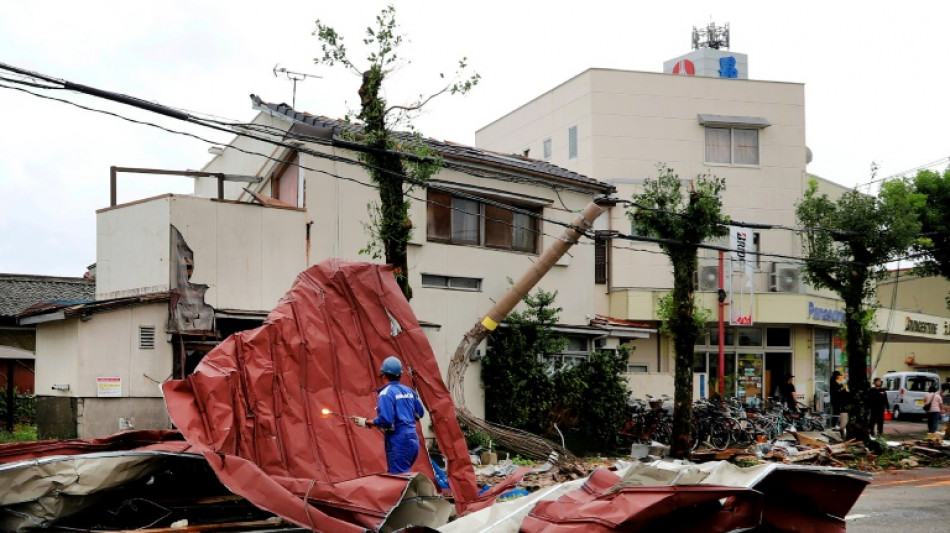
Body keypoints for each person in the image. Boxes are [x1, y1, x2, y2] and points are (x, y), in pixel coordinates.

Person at [353, 355, 425, 474]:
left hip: (399, 442)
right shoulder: (409, 391)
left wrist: (365, 422)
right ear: (399, 375)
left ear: (383, 375)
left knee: (398, 478)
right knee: (404, 475)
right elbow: (420, 413)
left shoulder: (386, 393)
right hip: (413, 440)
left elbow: (386, 421)